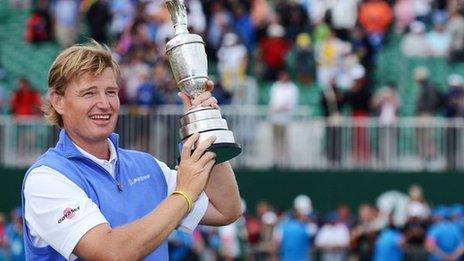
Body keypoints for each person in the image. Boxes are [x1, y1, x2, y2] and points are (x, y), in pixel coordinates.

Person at [21, 41, 242, 260]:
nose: (104, 103)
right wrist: (183, 194)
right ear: (58, 101)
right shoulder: (46, 178)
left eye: (110, 92)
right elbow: (111, 253)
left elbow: (226, 210)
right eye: (89, 93)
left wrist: (203, 126)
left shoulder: (147, 166)